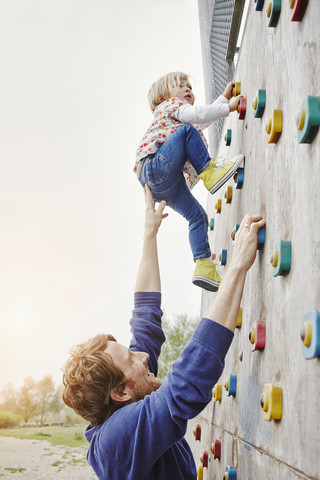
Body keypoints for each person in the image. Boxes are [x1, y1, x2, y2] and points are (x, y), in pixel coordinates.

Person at [62, 185, 265, 480]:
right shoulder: (115, 444)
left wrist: (149, 234)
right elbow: (182, 390)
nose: (144, 356)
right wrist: (236, 268)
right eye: (131, 358)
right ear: (120, 392)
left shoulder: (131, 395)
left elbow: (145, 321)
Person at [134, 71, 244, 292]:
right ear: (164, 97)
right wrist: (229, 107)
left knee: (197, 216)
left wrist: (223, 99)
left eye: (190, 87)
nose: (188, 90)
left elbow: (201, 119)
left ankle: (203, 265)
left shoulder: (176, 119)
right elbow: (197, 115)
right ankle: (210, 172)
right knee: (187, 133)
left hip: (161, 185)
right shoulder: (169, 106)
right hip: (155, 167)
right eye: (180, 85)